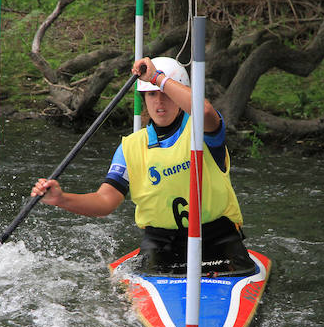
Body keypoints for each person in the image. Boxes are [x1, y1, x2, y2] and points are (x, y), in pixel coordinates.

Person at [31, 56, 255, 276]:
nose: (159, 101)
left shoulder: (203, 130)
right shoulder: (131, 146)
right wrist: (61, 199)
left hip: (218, 238)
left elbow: (204, 111)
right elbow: (105, 202)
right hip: (161, 243)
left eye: (165, 94)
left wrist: (156, 78)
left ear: (179, 92)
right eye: (151, 94)